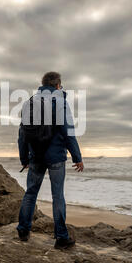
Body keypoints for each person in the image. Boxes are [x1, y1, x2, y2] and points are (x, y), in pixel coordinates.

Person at [16, 71, 84, 249]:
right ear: (57, 85)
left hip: (36, 156)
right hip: (56, 158)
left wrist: (24, 158)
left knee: (30, 193)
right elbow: (68, 132)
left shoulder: (29, 102)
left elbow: (22, 134)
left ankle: (23, 230)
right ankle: (61, 238)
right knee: (57, 196)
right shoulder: (61, 102)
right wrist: (77, 157)